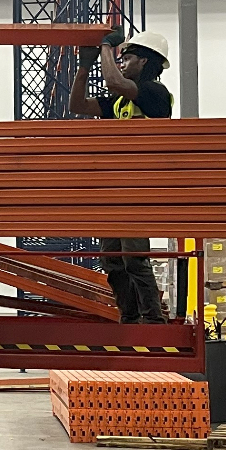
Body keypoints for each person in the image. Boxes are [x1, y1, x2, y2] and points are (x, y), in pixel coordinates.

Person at [73, 29, 174, 324]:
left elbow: (114, 81)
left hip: (140, 187)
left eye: (126, 58)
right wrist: (84, 66)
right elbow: (77, 105)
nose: (122, 64)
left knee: (134, 259)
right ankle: (129, 318)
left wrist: (106, 46)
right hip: (116, 188)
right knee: (112, 260)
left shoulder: (155, 93)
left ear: (144, 61)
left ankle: (152, 320)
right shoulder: (119, 103)